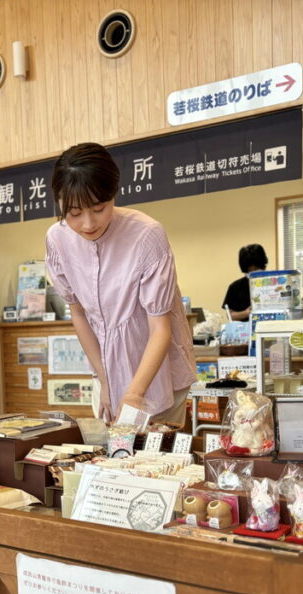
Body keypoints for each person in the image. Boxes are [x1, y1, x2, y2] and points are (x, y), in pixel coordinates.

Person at [45, 142, 196, 423]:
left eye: (98, 208)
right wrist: (105, 381)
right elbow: (78, 313)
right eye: (74, 213)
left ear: (113, 194)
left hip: (158, 371)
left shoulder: (147, 234)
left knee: (161, 461)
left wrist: (134, 393)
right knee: (108, 462)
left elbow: (160, 327)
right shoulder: (57, 239)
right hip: (105, 370)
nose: (88, 224)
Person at [222, 243, 268, 321]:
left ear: (263, 265)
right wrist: (246, 313)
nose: (254, 272)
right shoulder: (235, 287)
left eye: (256, 268)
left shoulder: (275, 283)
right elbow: (230, 315)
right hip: (245, 330)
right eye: (249, 270)